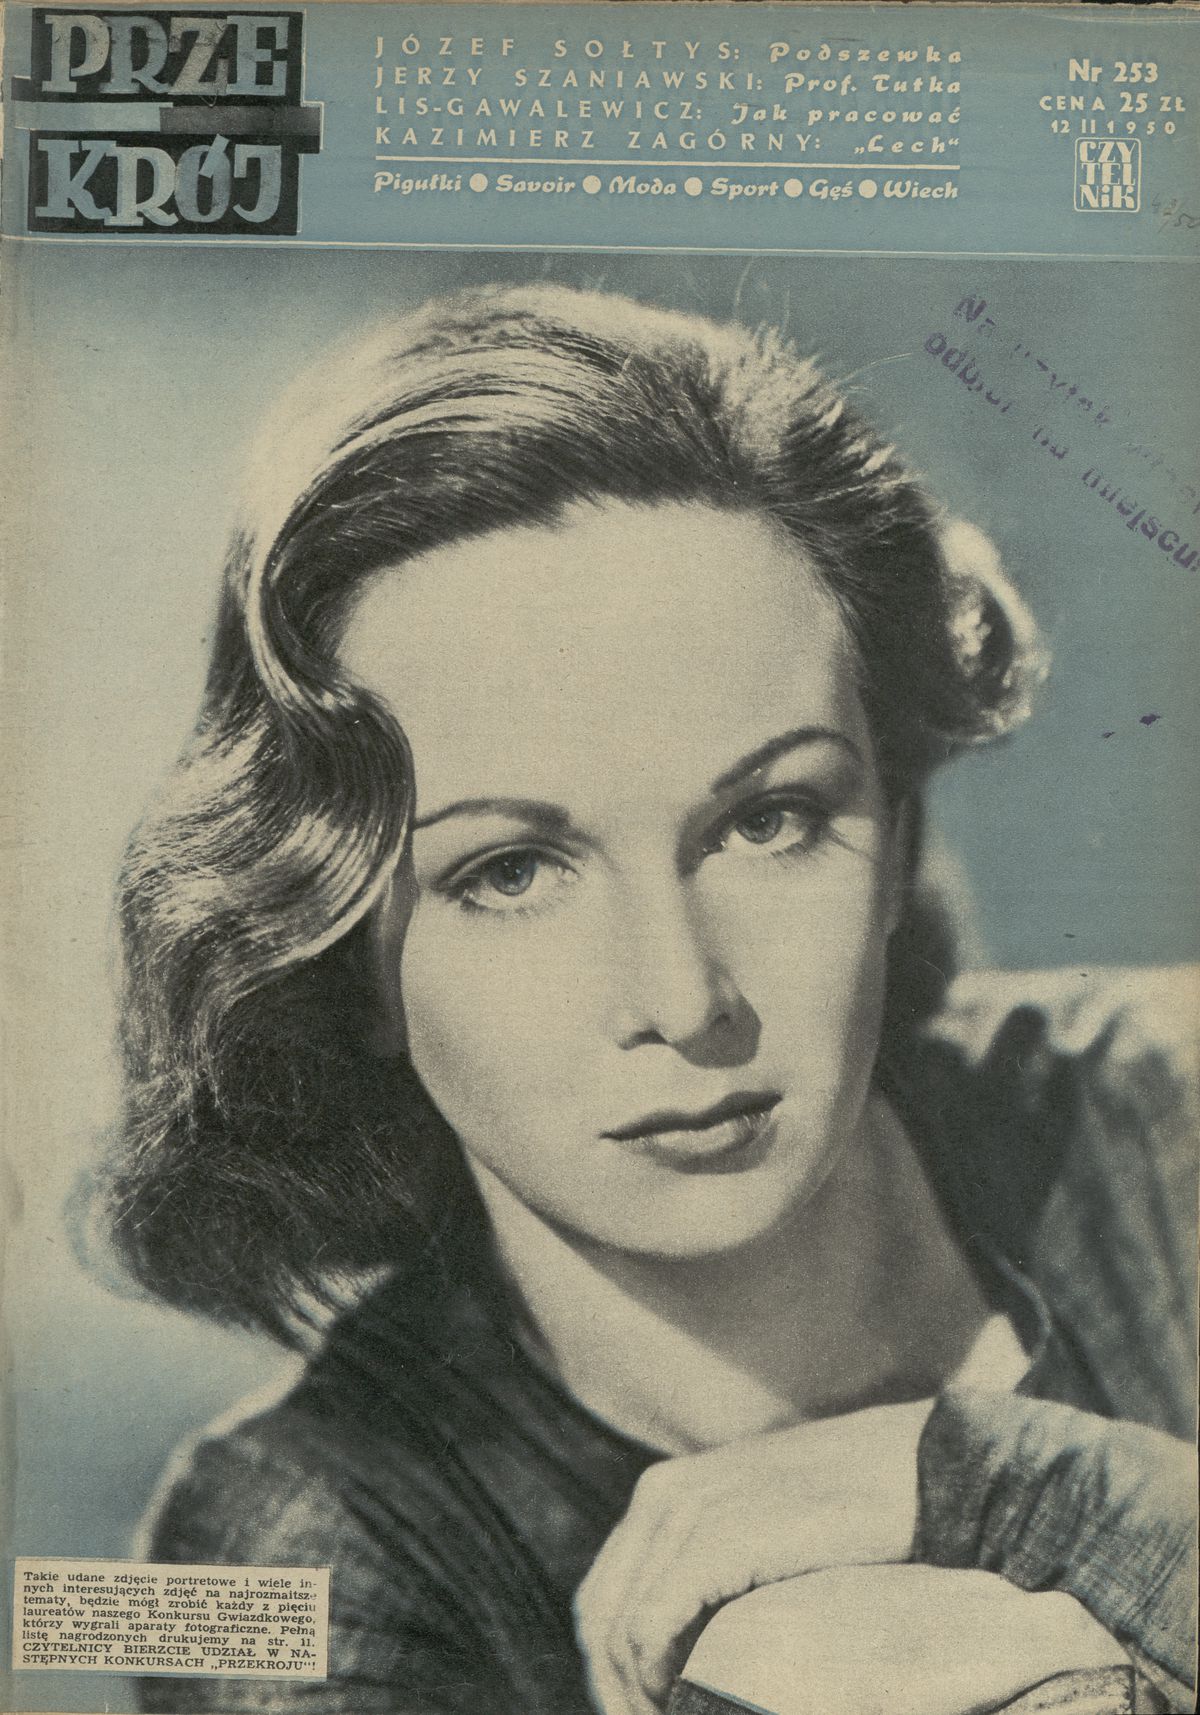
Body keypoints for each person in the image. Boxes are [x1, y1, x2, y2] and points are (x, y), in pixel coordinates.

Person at [101, 285, 1196, 1715]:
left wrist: (1030, 1496)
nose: (683, 1000)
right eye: (509, 872)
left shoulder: (1173, 1113)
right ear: (341, 955)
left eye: (768, 820)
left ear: (899, 837)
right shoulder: (289, 1552)